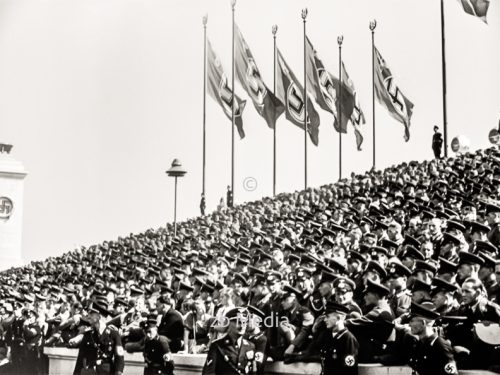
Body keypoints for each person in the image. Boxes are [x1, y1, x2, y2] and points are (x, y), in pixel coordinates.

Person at [201, 307, 257, 375]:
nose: (242, 326)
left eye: (244, 322)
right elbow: (209, 372)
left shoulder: (250, 346)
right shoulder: (217, 346)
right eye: (238, 322)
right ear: (229, 323)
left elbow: (253, 372)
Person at [407, 302, 458, 375]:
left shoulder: (440, 345)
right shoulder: (420, 344)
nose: (409, 324)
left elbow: (452, 373)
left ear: (423, 323)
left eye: (412, 321)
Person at [73, 304, 125, 375]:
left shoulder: (113, 334)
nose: (88, 316)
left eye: (91, 314)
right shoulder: (88, 334)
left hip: (106, 372)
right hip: (90, 371)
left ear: (99, 317)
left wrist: (118, 372)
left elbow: (119, 356)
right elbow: (80, 357)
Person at [319, 301, 359, 375]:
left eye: (327, 316)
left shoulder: (348, 338)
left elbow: (350, 371)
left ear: (338, 318)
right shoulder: (328, 336)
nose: (324, 320)